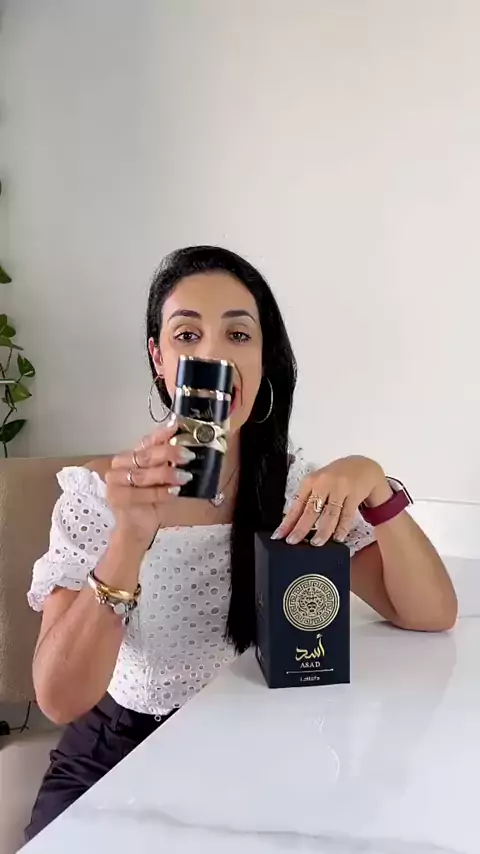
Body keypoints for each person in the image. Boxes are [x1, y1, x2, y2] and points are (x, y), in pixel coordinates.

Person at [25, 245, 457, 840]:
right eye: (187, 335)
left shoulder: (293, 490)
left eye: (237, 335)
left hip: (253, 747)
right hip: (116, 755)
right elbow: (59, 699)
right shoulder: (98, 494)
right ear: (159, 358)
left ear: (262, 357)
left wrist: (375, 484)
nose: (213, 356)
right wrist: (130, 537)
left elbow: (431, 613)